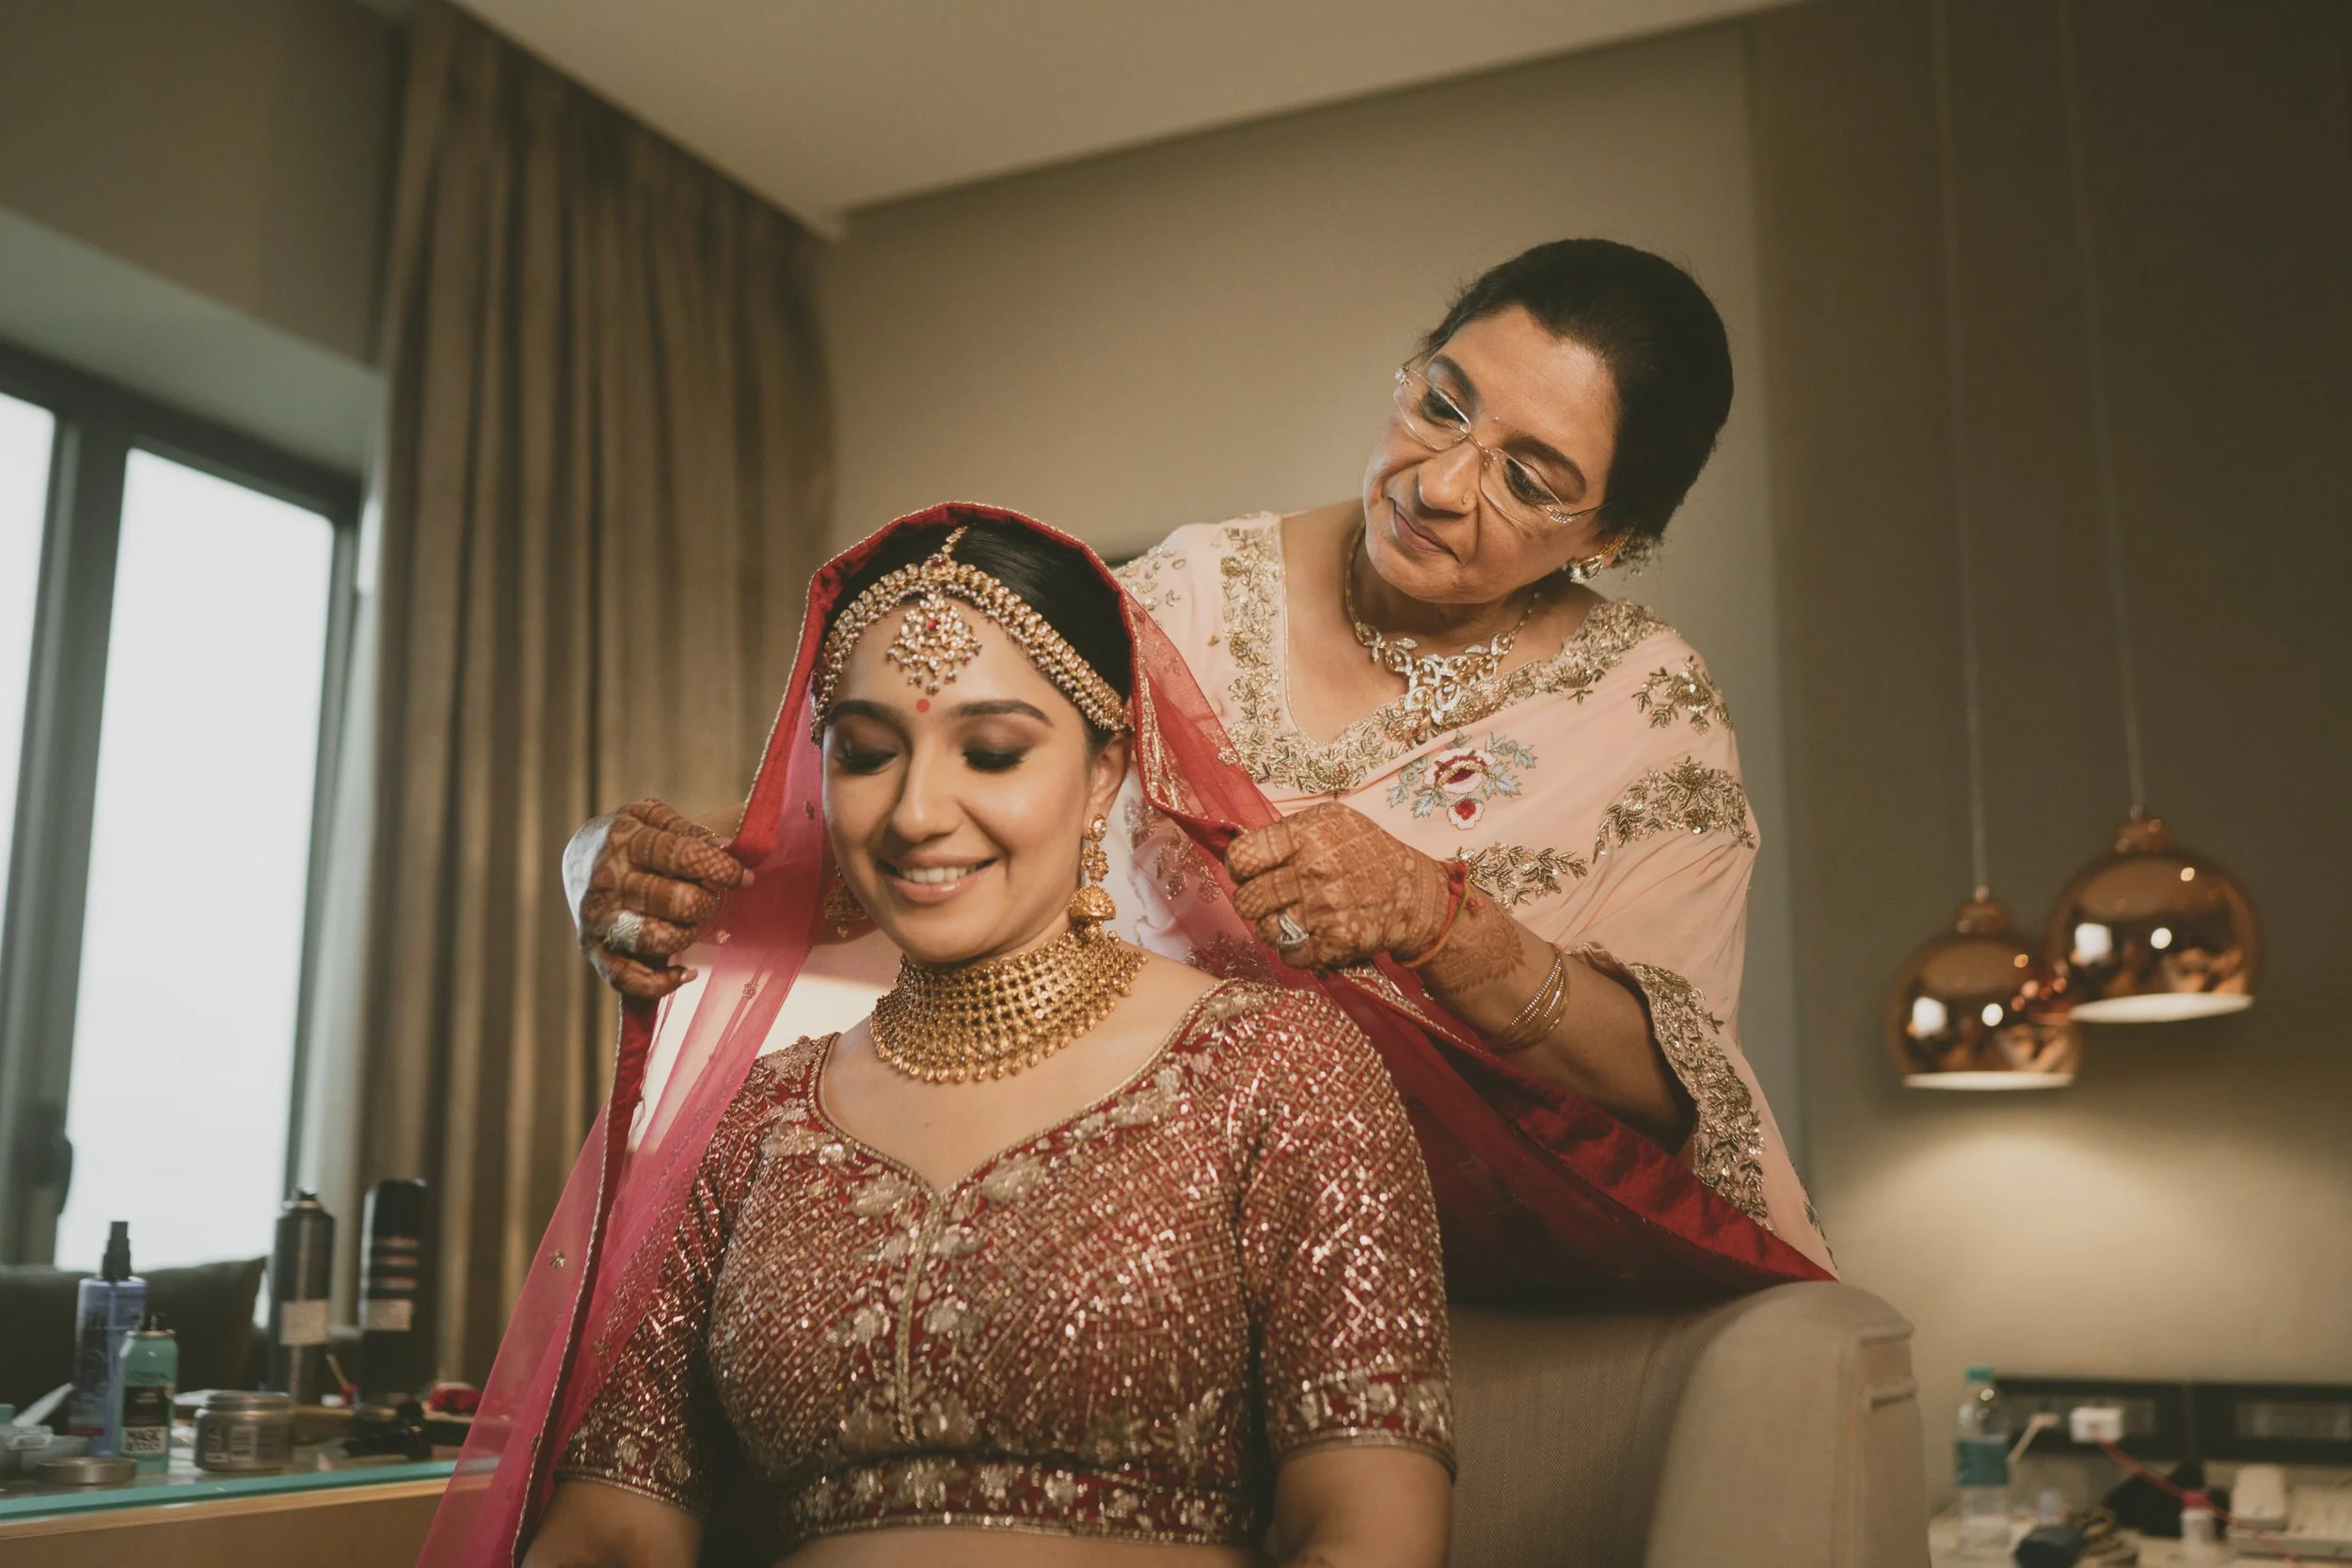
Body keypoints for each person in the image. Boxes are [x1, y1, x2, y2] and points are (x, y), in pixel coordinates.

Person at [568, 239, 1834, 1296]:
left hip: (1467, 1261)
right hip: (1141, 1220)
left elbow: (1663, 1102)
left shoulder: (1643, 708)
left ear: (1610, 534)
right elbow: (932, 827)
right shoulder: (1179, 594)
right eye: (1442, 401)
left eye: (1529, 477)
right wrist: (624, 874)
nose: (1442, 483)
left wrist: (1436, 920)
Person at [432, 509, 1453, 1568]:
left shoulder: (1273, 1070)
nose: (916, 811)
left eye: (993, 750)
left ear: (1104, 773)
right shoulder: (755, 1120)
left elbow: (1371, 1535)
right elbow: (612, 1527)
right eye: (868, 752)